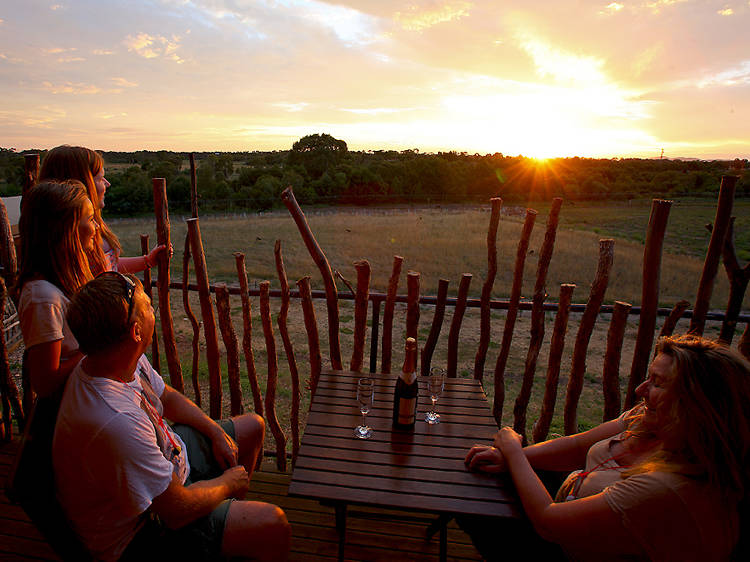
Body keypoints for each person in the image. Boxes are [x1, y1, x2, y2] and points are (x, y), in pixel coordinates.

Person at [54, 272, 291, 561]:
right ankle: (226, 527)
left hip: (168, 462)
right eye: (147, 306)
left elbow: (165, 396)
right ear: (136, 330)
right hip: (142, 531)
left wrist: (214, 431)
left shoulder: (115, 358)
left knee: (253, 427)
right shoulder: (115, 421)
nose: (153, 307)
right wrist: (228, 483)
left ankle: (226, 527)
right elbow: (176, 511)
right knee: (273, 523)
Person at [465, 335, 750, 561]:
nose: (640, 389)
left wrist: (513, 449)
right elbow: (578, 446)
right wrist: (508, 458)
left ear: (697, 406)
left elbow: (547, 522)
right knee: (487, 471)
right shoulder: (650, 418)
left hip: (563, 549)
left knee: (468, 496)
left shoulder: (669, 489)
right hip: (571, 492)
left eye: (658, 383)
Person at [16, 180, 95, 398]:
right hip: (71, 414)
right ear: (65, 230)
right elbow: (45, 383)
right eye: (90, 219)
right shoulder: (43, 298)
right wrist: (102, 346)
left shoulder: (63, 283)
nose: (96, 227)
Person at [39, 144, 169, 274]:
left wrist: (147, 261)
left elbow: (106, 266)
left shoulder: (90, 224)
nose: (107, 183)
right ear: (81, 183)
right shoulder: (71, 239)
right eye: (100, 178)